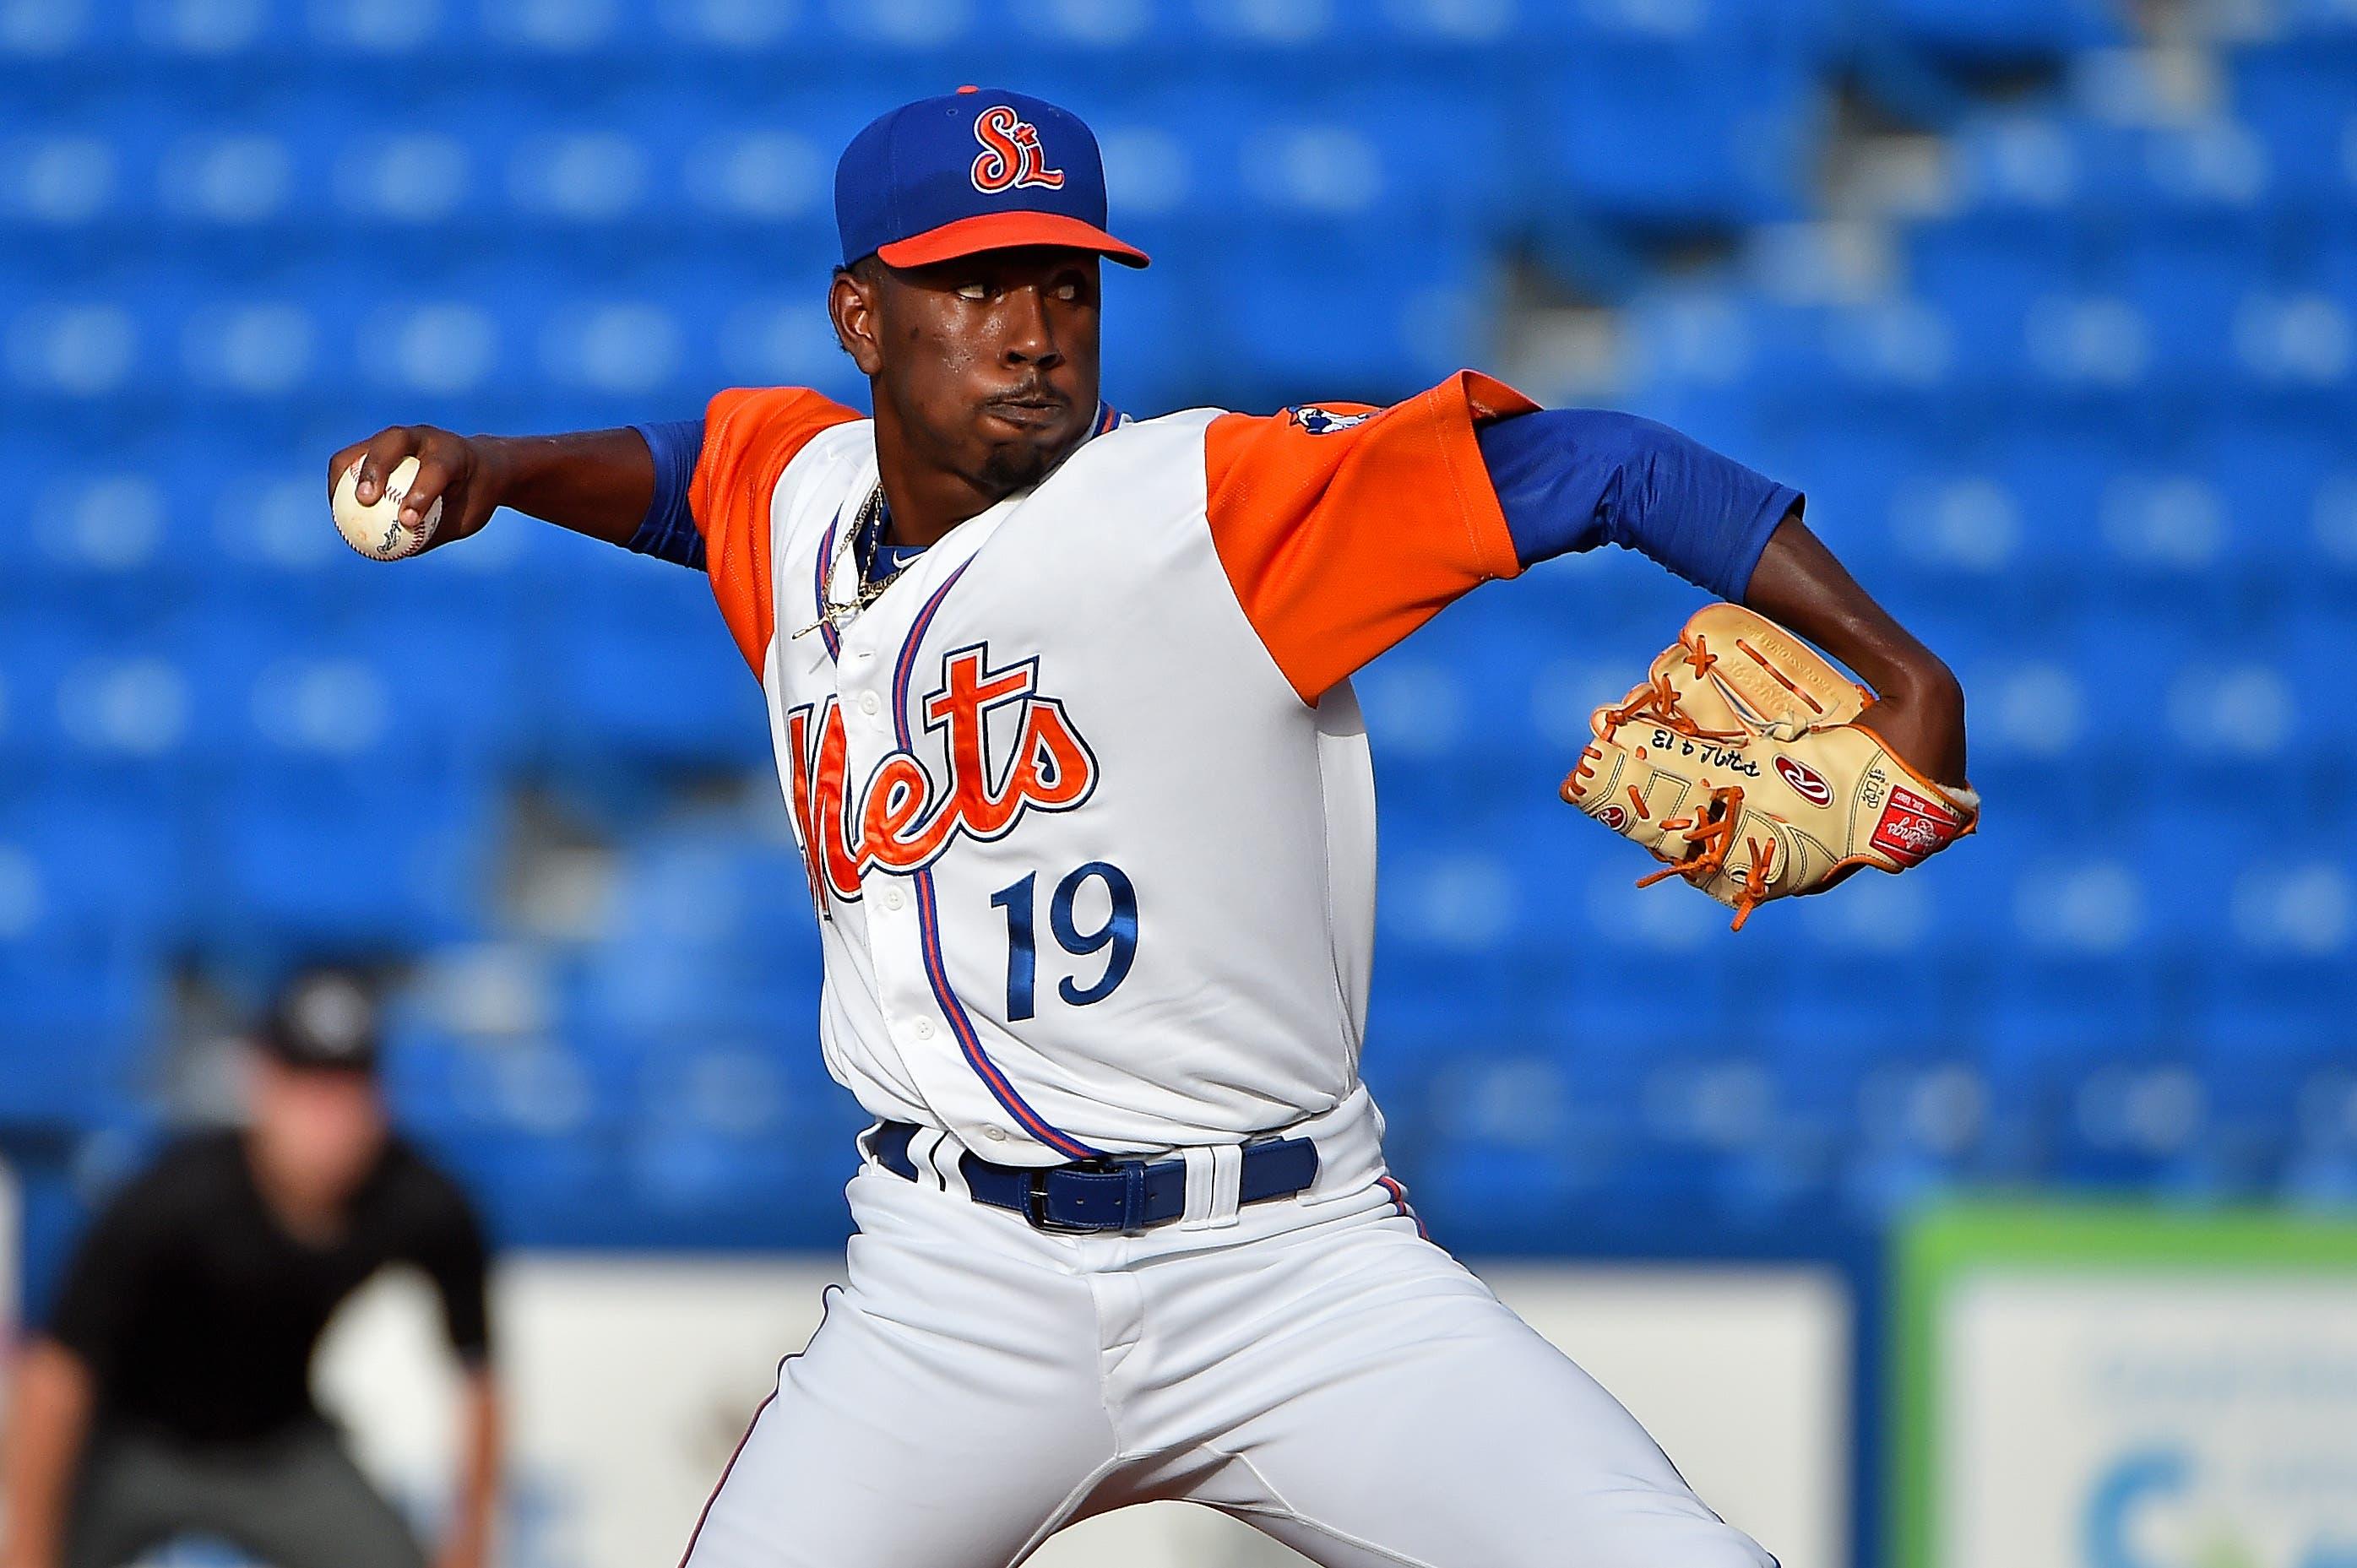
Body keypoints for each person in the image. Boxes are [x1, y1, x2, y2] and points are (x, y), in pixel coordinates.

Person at [326, 87, 1967, 1567]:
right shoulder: (802, 492)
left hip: (1289, 1268)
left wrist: (1897, 669)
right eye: (974, 284)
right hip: (950, 1283)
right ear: (861, 316)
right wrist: (500, 465)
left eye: (1066, 283)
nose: (1034, 329)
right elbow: (691, 475)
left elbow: (1597, 462)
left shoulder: (1211, 509)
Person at [2, 974, 501, 1568]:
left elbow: (481, 1374)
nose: (327, 1121)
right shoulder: (174, 1197)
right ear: (260, 1083)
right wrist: (28, 1547)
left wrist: (469, 1540)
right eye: (307, 1088)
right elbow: (57, 1377)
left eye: (348, 1090)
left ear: (380, 1100)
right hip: (133, 1445)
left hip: (282, 1447)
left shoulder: (421, 1201)